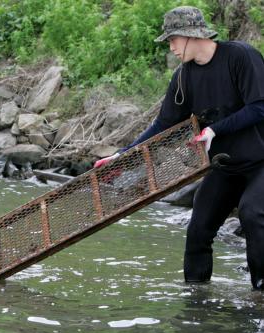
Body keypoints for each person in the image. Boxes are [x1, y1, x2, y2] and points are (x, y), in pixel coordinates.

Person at [94, 6, 264, 290]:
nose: (171, 47)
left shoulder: (240, 57)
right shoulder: (183, 78)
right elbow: (163, 125)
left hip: (261, 162)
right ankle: (196, 297)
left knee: (252, 213)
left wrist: (214, 129)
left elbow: (260, 107)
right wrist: (123, 155)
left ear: (190, 34)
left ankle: (260, 292)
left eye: (173, 39)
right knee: (198, 228)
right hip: (224, 166)